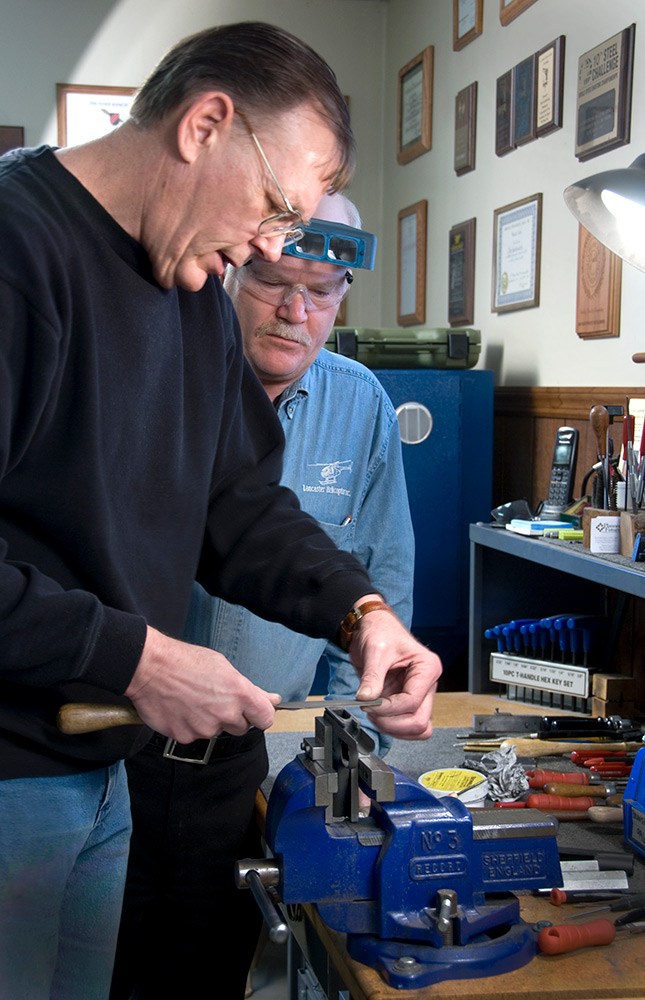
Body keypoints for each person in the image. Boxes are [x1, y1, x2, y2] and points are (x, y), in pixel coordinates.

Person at [0, 20, 442, 1000]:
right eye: (280, 207)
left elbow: (240, 505)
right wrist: (142, 660)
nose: (274, 251)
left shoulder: (192, 291)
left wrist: (362, 613)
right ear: (206, 123)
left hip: (97, 776)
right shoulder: (19, 251)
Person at [112, 193, 415, 999]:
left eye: (322, 291)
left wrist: (346, 773)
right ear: (228, 272)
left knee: (219, 973)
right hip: (114, 754)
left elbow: (377, 582)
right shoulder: (149, 382)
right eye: (274, 281)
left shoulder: (360, 406)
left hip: (248, 765)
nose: (295, 310)